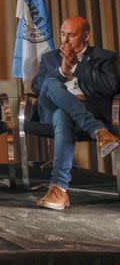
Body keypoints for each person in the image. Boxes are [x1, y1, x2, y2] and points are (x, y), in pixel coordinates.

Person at [31, 16, 120, 210]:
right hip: (49, 108)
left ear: (86, 36)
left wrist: (78, 67)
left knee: (63, 115)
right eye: (62, 34)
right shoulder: (50, 57)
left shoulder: (104, 56)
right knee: (50, 82)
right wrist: (63, 70)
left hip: (81, 111)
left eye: (71, 35)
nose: (64, 40)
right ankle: (99, 132)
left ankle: (58, 189)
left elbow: (111, 87)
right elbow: (37, 87)